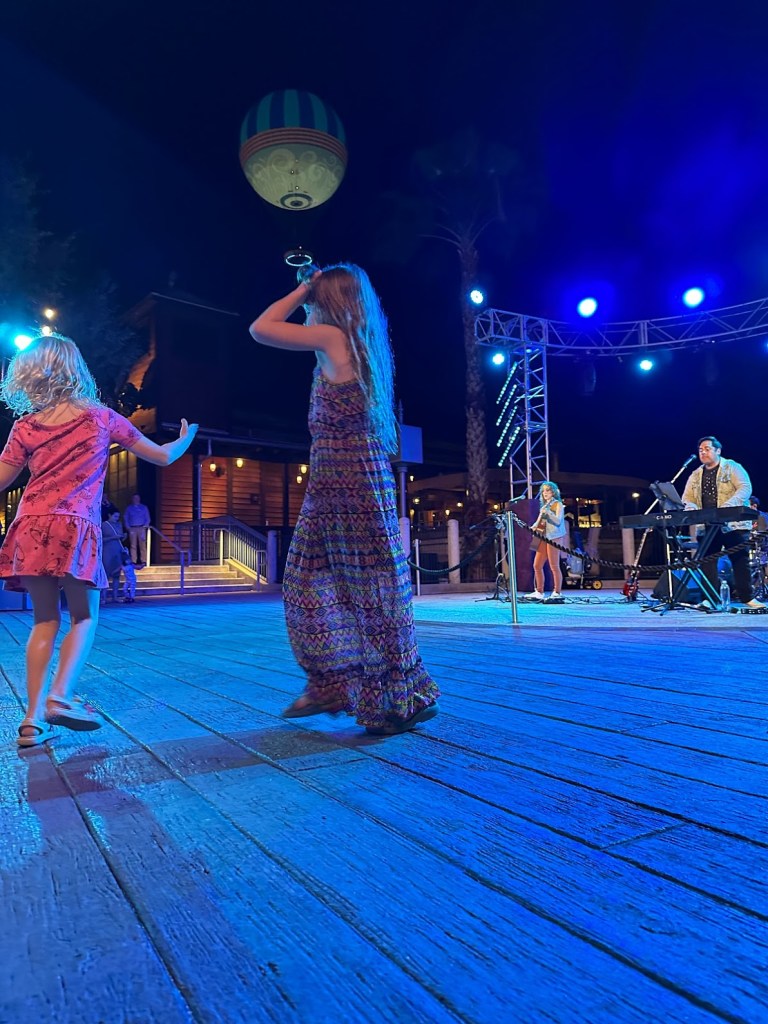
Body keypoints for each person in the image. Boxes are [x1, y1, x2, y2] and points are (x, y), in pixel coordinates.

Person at [249, 263, 440, 736]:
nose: (311, 307)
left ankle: (385, 694)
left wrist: (302, 289)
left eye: (318, 301)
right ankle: (340, 683)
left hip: (346, 483)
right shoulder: (362, 344)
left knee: (353, 587)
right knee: (338, 583)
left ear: (329, 302)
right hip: (344, 482)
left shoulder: (333, 338)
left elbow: (261, 329)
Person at [0, 334, 198, 747]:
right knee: (83, 617)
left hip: (31, 525)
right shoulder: (101, 417)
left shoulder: (26, 426)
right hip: (75, 527)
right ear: (75, 370)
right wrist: (184, 440)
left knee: (43, 620)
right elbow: (162, 457)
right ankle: (59, 697)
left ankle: (32, 721)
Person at [681, 436, 764, 610]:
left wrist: (729, 505)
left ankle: (747, 598)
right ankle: (710, 599)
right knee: (707, 562)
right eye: (700, 450)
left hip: (733, 523)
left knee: (740, 560)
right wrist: (691, 507)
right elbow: (687, 497)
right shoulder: (696, 474)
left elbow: (745, 488)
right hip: (707, 524)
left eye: (707, 449)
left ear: (718, 450)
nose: (703, 452)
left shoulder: (732, 466)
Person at [526, 481, 566, 601]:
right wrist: (533, 527)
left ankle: (557, 592)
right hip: (542, 536)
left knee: (554, 565)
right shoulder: (544, 506)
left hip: (554, 537)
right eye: (543, 491)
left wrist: (548, 513)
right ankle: (539, 591)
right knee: (537, 565)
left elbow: (558, 521)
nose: (545, 493)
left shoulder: (558, 504)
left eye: (547, 490)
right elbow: (538, 522)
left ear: (553, 492)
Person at [101, 509, 127, 603]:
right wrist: (113, 537)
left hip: (117, 550)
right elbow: (101, 539)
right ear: (109, 515)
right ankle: (103, 597)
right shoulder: (104, 525)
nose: (117, 518)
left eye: (118, 517)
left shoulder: (119, 524)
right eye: (115, 516)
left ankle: (115, 597)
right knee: (106, 574)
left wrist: (124, 536)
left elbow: (121, 538)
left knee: (117, 575)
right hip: (107, 551)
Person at [124, 493, 150, 566]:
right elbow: (126, 518)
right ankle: (133, 561)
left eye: (137, 498)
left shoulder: (144, 507)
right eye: (134, 498)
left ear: (139, 499)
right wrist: (128, 528)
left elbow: (147, 518)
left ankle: (144, 560)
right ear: (132, 499)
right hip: (132, 528)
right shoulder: (129, 508)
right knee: (133, 545)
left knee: (142, 545)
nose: (136, 499)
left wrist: (145, 527)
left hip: (142, 528)